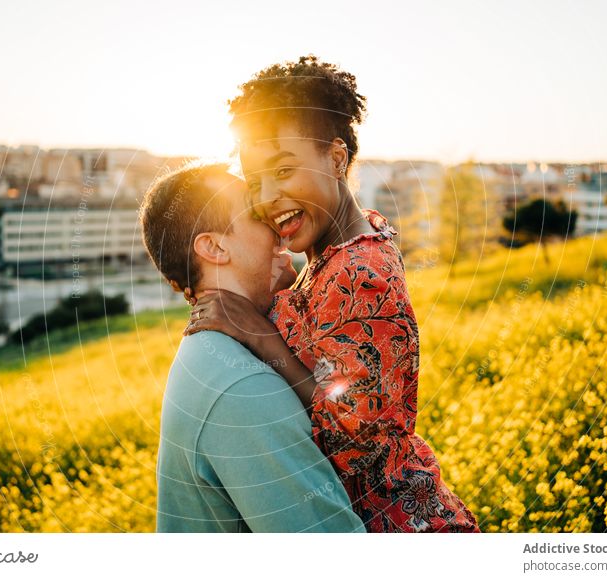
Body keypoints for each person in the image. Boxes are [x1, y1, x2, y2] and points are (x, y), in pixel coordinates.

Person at [184, 56, 481, 533]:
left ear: (337, 158)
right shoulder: (336, 254)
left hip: (397, 526)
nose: (266, 197)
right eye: (255, 181)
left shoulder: (360, 272)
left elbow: (353, 434)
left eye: (282, 171)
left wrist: (262, 336)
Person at [139, 161, 366, 533]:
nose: (279, 228)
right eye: (258, 216)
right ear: (214, 247)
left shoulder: (223, 351)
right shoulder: (241, 388)